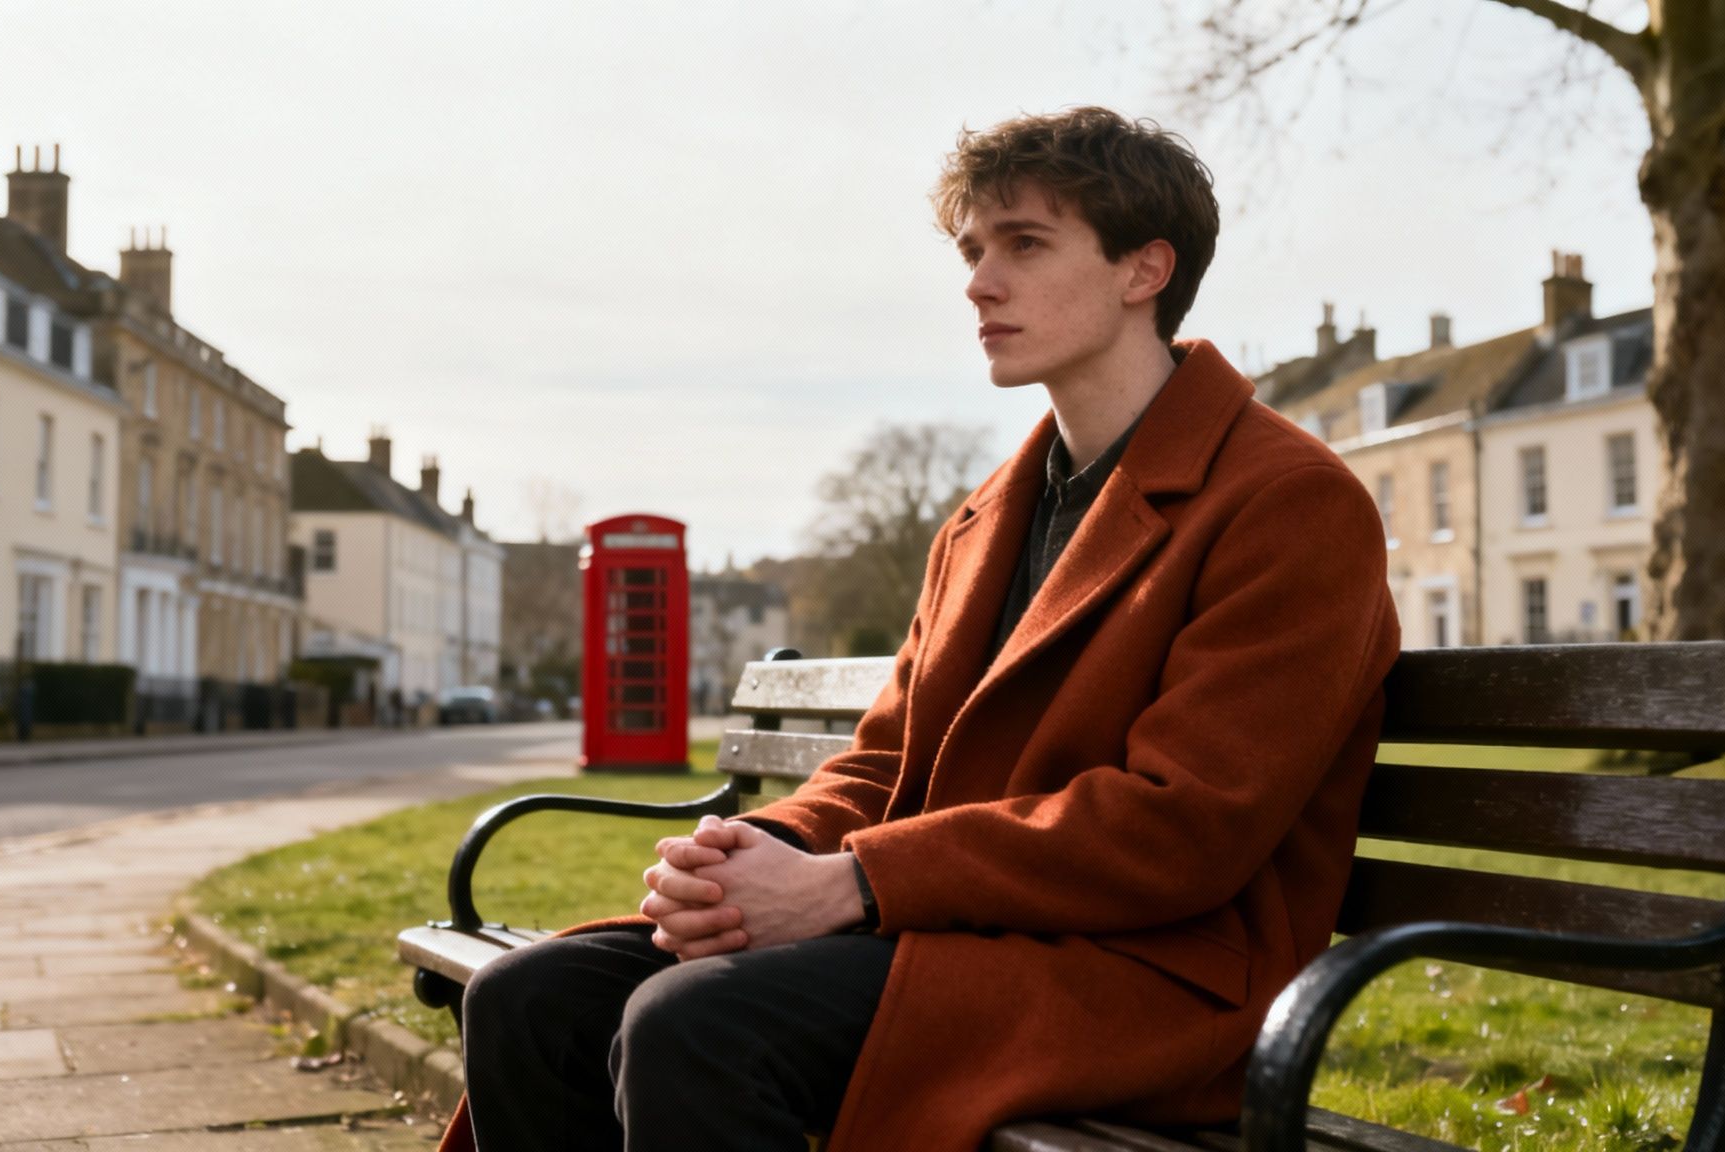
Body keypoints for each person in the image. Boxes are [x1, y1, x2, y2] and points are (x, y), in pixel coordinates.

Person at [442, 106, 1399, 1152]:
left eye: (1023, 245)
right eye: (972, 250)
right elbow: (886, 760)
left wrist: (853, 884)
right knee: (529, 999)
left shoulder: (1286, 501)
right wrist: (749, 854)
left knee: (694, 1025)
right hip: (962, 926)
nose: (979, 283)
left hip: (1156, 969)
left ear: (1143, 271)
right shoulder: (987, 514)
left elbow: (1182, 828)